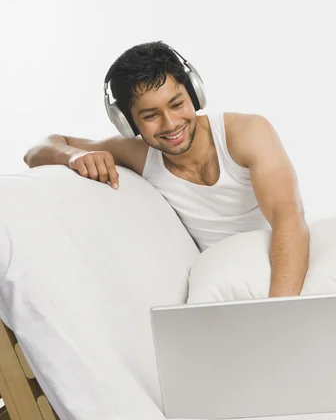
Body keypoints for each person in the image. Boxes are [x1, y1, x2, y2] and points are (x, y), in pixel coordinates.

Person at [24, 40, 310, 297]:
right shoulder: (138, 154)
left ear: (195, 94)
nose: (171, 123)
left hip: (289, 272)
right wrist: (73, 156)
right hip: (224, 285)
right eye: (150, 115)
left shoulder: (247, 132)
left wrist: (280, 310)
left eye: (177, 104)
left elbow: (289, 218)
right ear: (128, 122)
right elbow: (36, 152)